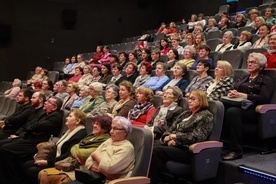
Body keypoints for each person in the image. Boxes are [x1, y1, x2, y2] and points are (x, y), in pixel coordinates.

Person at [149, 89, 214, 184]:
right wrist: (167, 138)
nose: (189, 101)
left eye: (193, 99)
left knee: (156, 151)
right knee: (148, 145)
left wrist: (176, 138)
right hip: (173, 145)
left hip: (187, 150)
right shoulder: (185, 113)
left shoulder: (206, 116)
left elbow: (198, 136)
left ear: (201, 100)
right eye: (189, 98)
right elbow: (170, 129)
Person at [0, 95, 63, 184]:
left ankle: (10, 179)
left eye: (49, 102)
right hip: (29, 138)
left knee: (5, 149)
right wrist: (25, 132)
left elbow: (35, 126)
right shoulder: (44, 113)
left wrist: (33, 128)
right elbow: (29, 125)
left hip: (37, 144)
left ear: (54, 107)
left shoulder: (56, 117)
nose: (45, 102)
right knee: (3, 145)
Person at [222, 52, 273, 160]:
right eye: (248, 62)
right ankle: (220, 143)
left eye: (253, 62)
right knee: (221, 108)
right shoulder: (244, 77)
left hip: (255, 110)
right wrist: (231, 93)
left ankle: (236, 150)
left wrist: (244, 95)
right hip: (239, 105)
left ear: (261, 65)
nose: (249, 64)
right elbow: (233, 88)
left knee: (232, 112)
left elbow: (264, 98)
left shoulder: (265, 79)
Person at [37, 114, 112, 184]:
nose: (94, 126)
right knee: (43, 173)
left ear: (105, 128)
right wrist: (76, 152)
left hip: (83, 169)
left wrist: (76, 151)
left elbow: (85, 153)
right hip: (73, 163)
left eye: (98, 124)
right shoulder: (91, 136)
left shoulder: (105, 140)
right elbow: (74, 147)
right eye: (94, 123)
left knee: (46, 175)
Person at [23, 109, 87, 184]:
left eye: (70, 116)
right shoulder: (70, 131)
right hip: (56, 159)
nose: (66, 118)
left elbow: (68, 155)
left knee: (32, 171)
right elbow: (56, 148)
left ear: (77, 121)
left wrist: (47, 162)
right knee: (26, 164)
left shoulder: (80, 135)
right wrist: (41, 155)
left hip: (64, 164)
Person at [71, 116, 135, 183]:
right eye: (111, 128)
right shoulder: (109, 141)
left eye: (115, 129)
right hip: (93, 177)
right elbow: (88, 161)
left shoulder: (127, 148)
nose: (111, 132)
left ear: (125, 132)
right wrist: (104, 170)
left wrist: (95, 155)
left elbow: (109, 168)